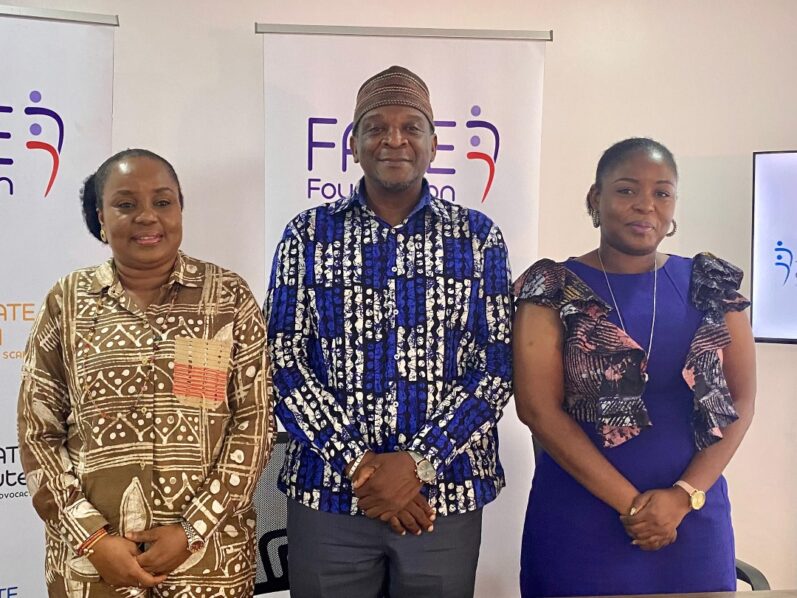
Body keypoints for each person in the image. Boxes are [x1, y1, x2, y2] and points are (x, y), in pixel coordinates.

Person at [265, 65, 513, 598]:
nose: (394, 140)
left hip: (443, 498)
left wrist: (419, 464)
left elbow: (495, 368)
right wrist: (360, 464)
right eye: (376, 127)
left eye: (410, 127)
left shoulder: (478, 238)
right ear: (353, 144)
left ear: (434, 144)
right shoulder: (307, 234)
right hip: (329, 496)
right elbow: (282, 360)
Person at [17, 149, 275, 597]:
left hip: (209, 563)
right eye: (126, 204)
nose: (147, 217)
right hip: (93, 567)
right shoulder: (67, 301)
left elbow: (255, 423)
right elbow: (38, 432)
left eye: (162, 202)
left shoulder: (227, 298)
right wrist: (92, 538)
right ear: (101, 217)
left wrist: (193, 529)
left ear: (180, 209)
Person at [513, 137, 756, 597]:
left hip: (692, 517)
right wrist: (636, 508)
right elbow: (537, 409)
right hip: (579, 522)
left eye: (662, 193)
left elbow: (741, 400)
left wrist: (683, 497)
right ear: (595, 198)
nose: (645, 205)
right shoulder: (552, 288)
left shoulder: (710, 284)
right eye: (626, 190)